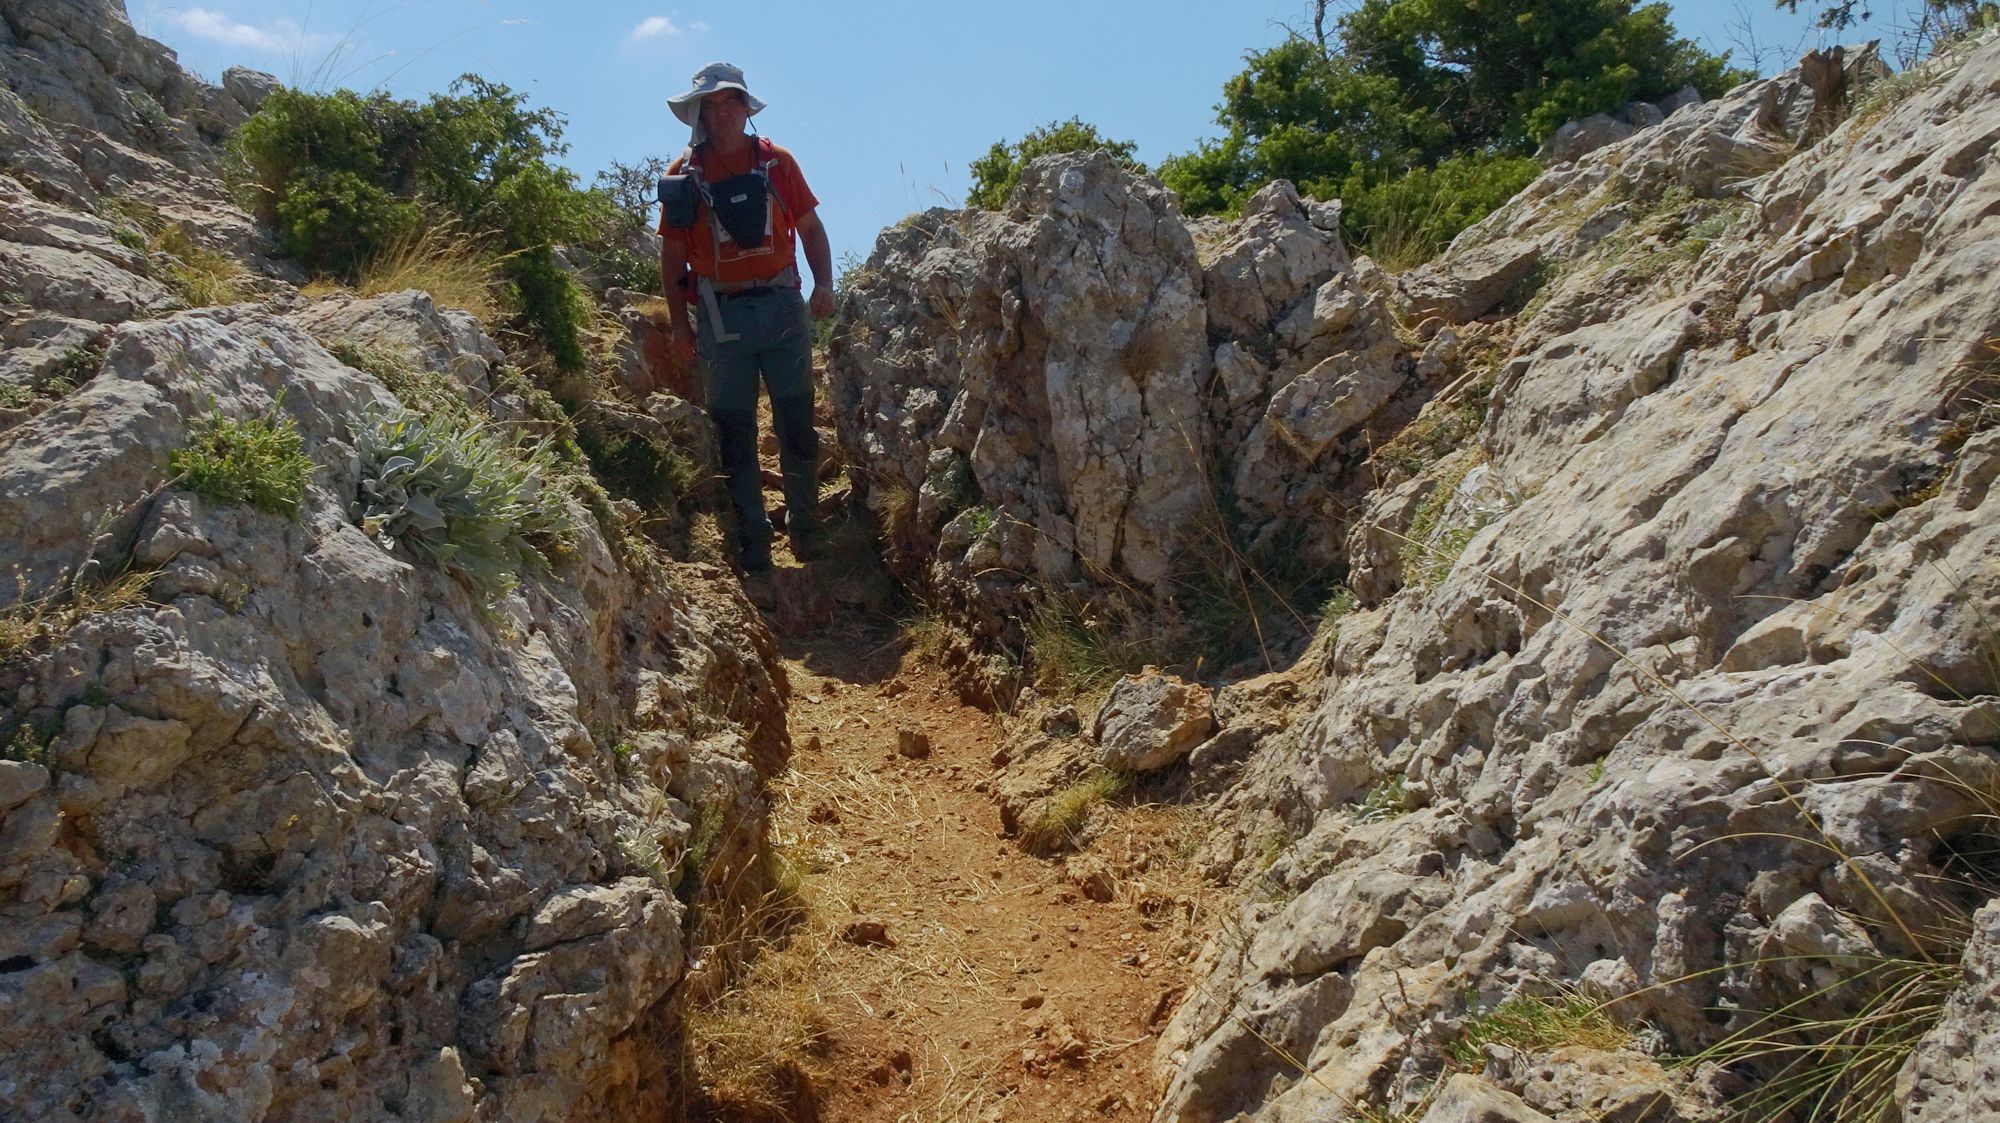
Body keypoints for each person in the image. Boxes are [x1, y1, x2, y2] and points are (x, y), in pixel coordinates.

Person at [659, 61, 834, 576]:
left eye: (728, 102)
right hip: (720, 315)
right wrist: (679, 325)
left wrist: (823, 283)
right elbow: (672, 259)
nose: (720, 113)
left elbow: (810, 227)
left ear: (744, 106)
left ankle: (806, 529)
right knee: (735, 432)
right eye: (709, 106)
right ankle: (754, 544)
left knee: (797, 422)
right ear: (698, 115)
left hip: (782, 307)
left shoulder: (776, 162)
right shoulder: (682, 177)